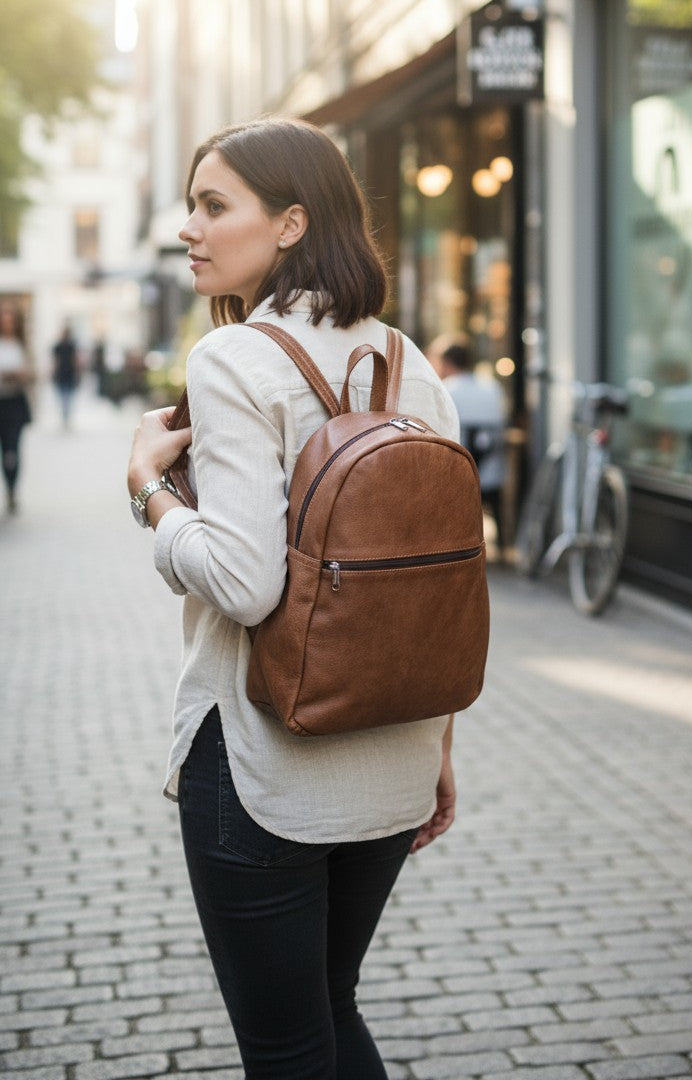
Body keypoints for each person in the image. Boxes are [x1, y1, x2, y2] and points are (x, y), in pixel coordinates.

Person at [126, 117, 461, 1080]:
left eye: (213, 205)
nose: (189, 228)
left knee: (286, 1048)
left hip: (265, 765)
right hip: (395, 757)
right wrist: (440, 751)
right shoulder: (408, 361)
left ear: (290, 222)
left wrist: (149, 493)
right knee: (331, 1010)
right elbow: (435, 586)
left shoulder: (234, 359)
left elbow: (244, 581)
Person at [428, 334, 507, 557]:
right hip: (492, 471)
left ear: (446, 363)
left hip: (457, 473)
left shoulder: (445, 389)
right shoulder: (492, 387)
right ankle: (502, 544)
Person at [0, 301, 33, 515]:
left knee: (11, 450)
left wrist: (21, 374)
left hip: (15, 403)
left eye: (10, 319)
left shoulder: (23, 345)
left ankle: (11, 489)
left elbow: (33, 371)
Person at [51, 323, 81, 427]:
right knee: (64, 397)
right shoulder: (58, 347)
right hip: (63, 374)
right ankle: (65, 415)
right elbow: (56, 362)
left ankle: (66, 415)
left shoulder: (70, 346)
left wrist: (77, 373)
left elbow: (74, 361)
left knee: (67, 397)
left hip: (68, 374)